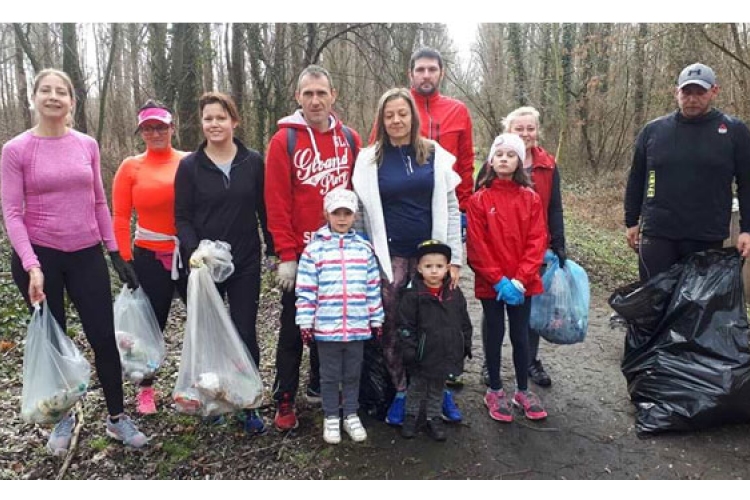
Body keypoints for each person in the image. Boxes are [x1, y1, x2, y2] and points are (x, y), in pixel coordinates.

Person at [1, 68, 148, 455]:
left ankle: (117, 418)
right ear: (33, 98)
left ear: (72, 101)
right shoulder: (16, 150)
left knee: (103, 338)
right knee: (56, 341)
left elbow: (100, 201)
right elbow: (12, 213)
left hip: (86, 254)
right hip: (40, 257)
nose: (53, 97)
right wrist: (32, 264)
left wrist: (114, 251)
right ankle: (62, 418)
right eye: (45, 90)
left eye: (61, 92)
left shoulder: (87, 144)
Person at [353, 87, 463, 427]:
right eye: (389, 115)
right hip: (389, 258)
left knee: (438, 325)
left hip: (431, 259)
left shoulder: (434, 154)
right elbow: (359, 213)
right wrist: (361, 257)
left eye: (402, 113)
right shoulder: (369, 159)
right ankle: (401, 389)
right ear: (381, 121)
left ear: (413, 117)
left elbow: (451, 206)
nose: (396, 120)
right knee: (391, 325)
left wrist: (455, 259)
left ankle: (437, 389)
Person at [265, 65, 362, 431]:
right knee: (293, 328)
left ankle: (321, 385)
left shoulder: (350, 139)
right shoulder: (284, 141)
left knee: (334, 326)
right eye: (308, 93)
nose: (315, 100)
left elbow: (360, 196)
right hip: (304, 258)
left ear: (333, 95)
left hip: (341, 253)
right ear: (298, 97)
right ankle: (284, 398)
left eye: (322, 93)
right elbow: (276, 202)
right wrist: (286, 256)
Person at [174, 91, 273, 435]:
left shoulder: (253, 161)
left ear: (234, 120)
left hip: (245, 259)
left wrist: (275, 250)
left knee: (244, 330)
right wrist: (192, 251)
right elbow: (182, 218)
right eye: (208, 119)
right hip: (205, 264)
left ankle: (248, 402)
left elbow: (264, 210)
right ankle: (213, 399)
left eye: (220, 117)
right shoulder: (189, 166)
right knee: (210, 333)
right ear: (201, 124)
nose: (214, 124)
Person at [625, 62, 750, 280]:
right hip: (658, 233)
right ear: (677, 92)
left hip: (707, 235)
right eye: (687, 92)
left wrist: (747, 229)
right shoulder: (654, 131)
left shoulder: (733, 131)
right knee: (654, 301)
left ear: (714, 91)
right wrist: (631, 221)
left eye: (700, 92)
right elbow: (636, 178)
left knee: (697, 308)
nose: (692, 99)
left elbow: (747, 183)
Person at [475, 106, 566, 387]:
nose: (526, 133)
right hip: (494, 269)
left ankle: (528, 363)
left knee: (528, 315)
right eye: (519, 128)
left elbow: (554, 207)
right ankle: (491, 370)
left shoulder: (547, 165)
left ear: (537, 131)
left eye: (530, 128)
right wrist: (497, 277)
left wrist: (559, 243)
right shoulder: (492, 167)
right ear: (508, 131)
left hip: (529, 256)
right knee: (494, 320)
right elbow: (479, 230)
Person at [112, 100, 189, 415]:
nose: (155, 133)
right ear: (141, 132)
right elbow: (119, 217)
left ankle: (198, 382)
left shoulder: (190, 162)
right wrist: (123, 259)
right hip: (148, 255)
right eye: (148, 128)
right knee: (149, 326)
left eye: (160, 127)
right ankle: (146, 388)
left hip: (188, 255)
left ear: (172, 128)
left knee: (200, 318)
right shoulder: (131, 167)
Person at [466, 133, 548, 423]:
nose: (504, 159)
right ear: (491, 160)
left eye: (510, 155)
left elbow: (537, 240)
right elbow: (477, 245)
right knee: (494, 332)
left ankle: (523, 390)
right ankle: (495, 388)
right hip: (492, 285)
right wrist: (498, 279)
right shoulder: (479, 200)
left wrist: (520, 279)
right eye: (499, 154)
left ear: (519, 161)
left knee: (520, 334)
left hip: (522, 284)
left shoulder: (531, 199)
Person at [295, 188, 384, 444]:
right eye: (337, 213)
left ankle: (351, 414)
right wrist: (305, 322)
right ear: (327, 214)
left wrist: (375, 319)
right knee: (330, 375)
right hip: (327, 327)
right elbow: (306, 290)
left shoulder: (365, 249)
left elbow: (372, 288)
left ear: (355, 215)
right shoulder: (314, 251)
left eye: (347, 213)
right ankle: (332, 416)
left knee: (353, 373)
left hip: (357, 326)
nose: (342, 218)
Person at [397, 240, 472, 441]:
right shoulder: (413, 295)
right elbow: (405, 325)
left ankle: (434, 417)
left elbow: (463, 320)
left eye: (439, 266)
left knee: (437, 389)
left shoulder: (454, 293)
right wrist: (410, 350)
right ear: (419, 268)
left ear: (447, 268)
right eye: (428, 266)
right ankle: (411, 416)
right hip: (421, 354)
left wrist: (465, 344)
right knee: (417, 387)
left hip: (445, 353)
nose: (433, 271)